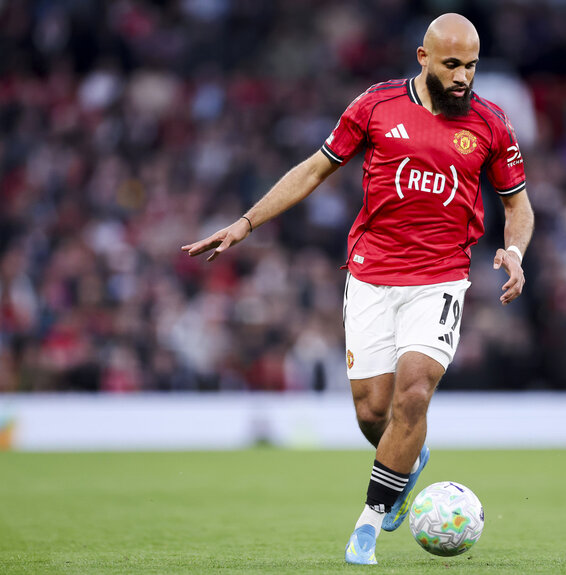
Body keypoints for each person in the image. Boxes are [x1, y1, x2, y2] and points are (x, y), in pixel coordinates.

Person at [181, 13, 533, 565]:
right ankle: (406, 464)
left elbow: (517, 205)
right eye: (451, 65)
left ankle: (366, 527)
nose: (463, 77)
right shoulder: (376, 106)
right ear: (423, 59)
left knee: (413, 392)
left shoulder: (492, 124)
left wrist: (514, 251)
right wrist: (245, 224)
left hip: (440, 277)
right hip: (370, 275)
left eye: (471, 65)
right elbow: (313, 170)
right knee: (374, 413)